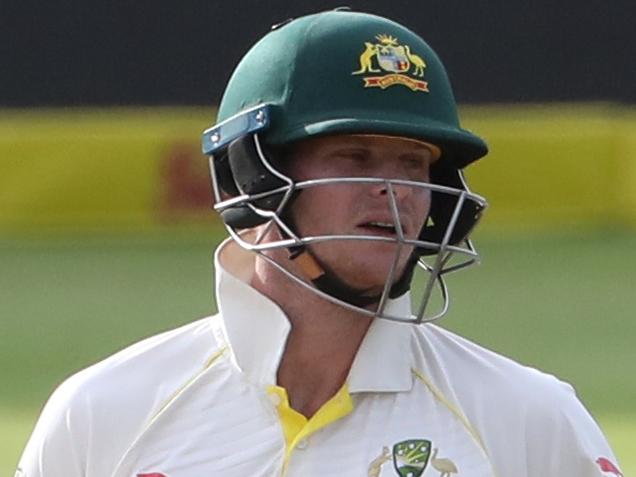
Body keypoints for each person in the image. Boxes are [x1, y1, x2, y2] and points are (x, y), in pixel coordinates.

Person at [17, 9, 622, 477]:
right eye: (354, 157)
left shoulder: (528, 419)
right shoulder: (103, 412)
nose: (395, 193)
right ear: (256, 175)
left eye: (414, 166)